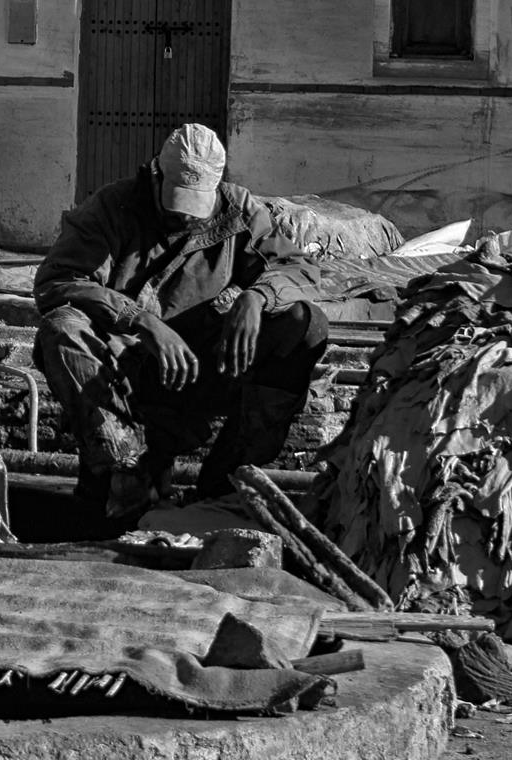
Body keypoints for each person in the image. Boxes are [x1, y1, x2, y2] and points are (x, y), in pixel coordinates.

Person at [33, 123, 326, 531]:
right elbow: (57, 282)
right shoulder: (110, 208)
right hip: (125, 374)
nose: (185, 215)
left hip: (206, 366)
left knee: (303, 323)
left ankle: (226, 480)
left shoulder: (241, 212)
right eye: (175, 202)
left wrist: (257, 298)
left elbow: (297, 269)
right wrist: (139, 319)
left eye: (195, 205)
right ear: (156, 175)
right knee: (62, 326)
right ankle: (127, 472)